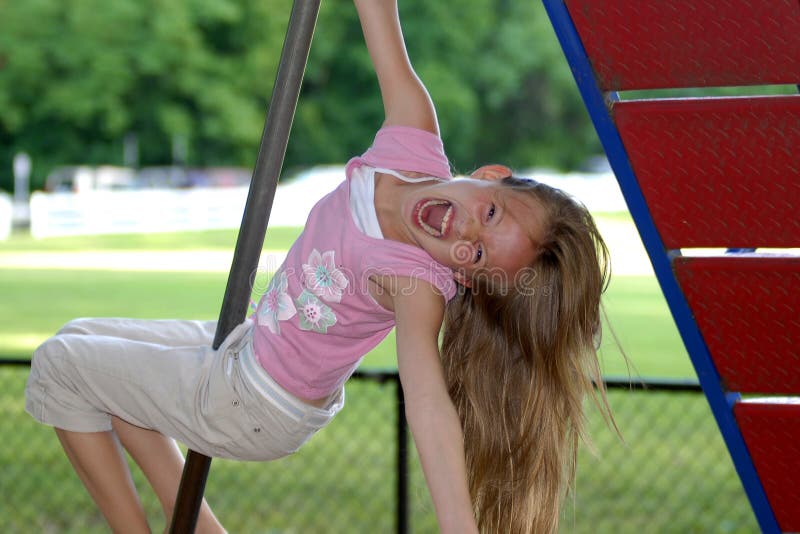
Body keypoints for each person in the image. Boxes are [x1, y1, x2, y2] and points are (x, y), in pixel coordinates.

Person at [25, 1, 612, 533]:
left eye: (477, 257)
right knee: (92, 352)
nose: (464, 232)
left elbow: (428, 402)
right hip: (248, 349)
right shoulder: (412, 136)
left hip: (257, 400)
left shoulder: (413, 282)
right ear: (490, 175)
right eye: (488, 212)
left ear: (463, 280)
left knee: (61, 364)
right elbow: (380, 18)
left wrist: (459, 527)